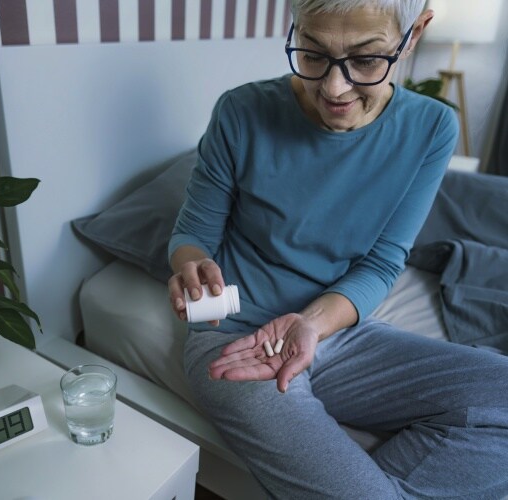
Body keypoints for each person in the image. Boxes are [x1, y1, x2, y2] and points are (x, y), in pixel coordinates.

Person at [167, 0, 508, 498]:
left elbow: (384, 259)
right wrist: (192, 266)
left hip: (336, 332)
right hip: (236, 342)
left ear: (413, 36)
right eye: (312, 53)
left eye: (367, 60)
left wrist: (311, 325)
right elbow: (192, 232)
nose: (333, 87)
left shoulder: (432, 127)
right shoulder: (241, 112)